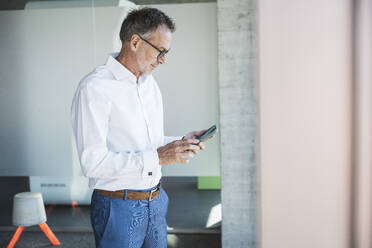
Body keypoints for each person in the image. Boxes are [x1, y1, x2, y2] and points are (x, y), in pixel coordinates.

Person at [71, 7, 213, 248]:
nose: (163, 60)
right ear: (135, 42)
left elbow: (149, 141)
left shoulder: (149, 84)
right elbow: (93, 163)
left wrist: (180, 142)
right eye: (160, 51)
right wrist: (158, 157)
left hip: (156, 201)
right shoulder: (94, 89)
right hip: (117, 206)